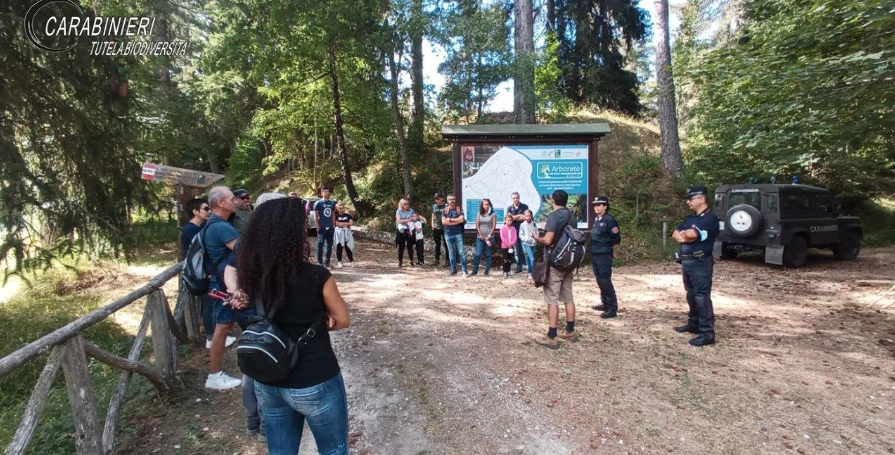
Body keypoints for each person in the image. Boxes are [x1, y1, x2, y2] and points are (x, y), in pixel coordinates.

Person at [231, 198, 351, 454]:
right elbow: (342, 319)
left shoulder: (252, 275)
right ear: (294, 234)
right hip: (314, 376)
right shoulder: (317, 276)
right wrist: (321, 320)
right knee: (334, 450)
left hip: (269, 379)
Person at [222, 192, 286, 443]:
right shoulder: (265, 242)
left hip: (258, 313)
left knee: (257, 361)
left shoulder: (249, 240)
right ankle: (264, 422)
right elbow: (231, 269)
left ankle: (255, 419)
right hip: (263, 314)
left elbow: (230, 269)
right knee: (266, 363)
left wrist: (235, 290)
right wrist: (236, 290)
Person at [203, 186, 242, 389]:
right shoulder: (221, 227)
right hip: (224, 285)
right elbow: (244, 251)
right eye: (232, 198)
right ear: (220, 202)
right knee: (223, 327)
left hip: (220, 283)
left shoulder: (214, 224)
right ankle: (214, 375)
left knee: (225, 326)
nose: (235, 201)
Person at [672, 186, 720, 347]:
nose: (688, 202)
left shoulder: (710, 219)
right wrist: (685, 235)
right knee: (691, 294)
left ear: (701, 199)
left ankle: (707, 333)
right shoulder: (691, 218)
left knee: (701, 296)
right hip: (687, 262)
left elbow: (691, 234)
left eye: (691, 199)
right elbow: (675, 233)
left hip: (701, 262)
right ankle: (694, 324)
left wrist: (686, 235)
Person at [532, 190, 577, 349]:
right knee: (568, 297)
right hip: (569, 263)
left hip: (555, 262)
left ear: (553, 200)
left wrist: (537, 238)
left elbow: (548, 240)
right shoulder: (572, 217)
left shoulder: (554, 216)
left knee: (552, 300)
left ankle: (551, 337)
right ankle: (570, 330)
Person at [589, 196, 621, 319]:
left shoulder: (609, 220)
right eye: (595, 205)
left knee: (605, 279)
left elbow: (616, 238)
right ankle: (605, 303)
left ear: (605, 206)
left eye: (599, 205)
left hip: (604, 253)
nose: (596, 207)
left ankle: (612, 307)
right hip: (595, 252)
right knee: (599, 278)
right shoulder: (597, 219)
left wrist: (609, 247)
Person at [443, 194, 469, 277]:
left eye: (453, 199)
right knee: (451, 253)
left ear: (455, 200)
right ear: (447, 201)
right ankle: (453, 270)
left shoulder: (459, 209)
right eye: (450, 199)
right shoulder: (445, 210)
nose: (452, 201)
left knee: (461, 252)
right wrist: (456, 221)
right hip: (448, 234)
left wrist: (450, 220)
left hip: (458, 233)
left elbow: (461, 220)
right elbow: (444, 222)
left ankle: (464, 271)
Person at [506, 192, 529, 274]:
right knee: (516, 251)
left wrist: (515, 217)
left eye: (517, 197)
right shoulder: (509, 208)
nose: (515, 199)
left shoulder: (525, 206)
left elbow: (526, 217)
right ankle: (519, 268)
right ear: (512, 199)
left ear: (519, 198)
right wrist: (519, 216)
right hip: (514, 233)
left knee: (525, 251)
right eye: (514, 198)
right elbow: (509, 219)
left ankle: (528, 268)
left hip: (524, 232)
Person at [471, 199, 496, 276]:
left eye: (488, 204)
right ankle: (475, 271)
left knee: (488, 254)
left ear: (490, 205)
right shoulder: (478, 214)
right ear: (482, 205)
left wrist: (489, 236)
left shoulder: (493, 214)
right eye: (485, 204)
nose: (486, 206)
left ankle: (486, 271)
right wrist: (480, 235)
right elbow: (477, 225)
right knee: (478, 254)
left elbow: (493, 226)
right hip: (480, 237)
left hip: (489, 238)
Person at [314, 186, 337, 267]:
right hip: (322, 227)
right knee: (320, 245)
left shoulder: (332, 203)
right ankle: (320, 263)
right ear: (321, 193)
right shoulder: (318, 203)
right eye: (325, 191)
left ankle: (327, 262)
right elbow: (315, 215)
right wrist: (317, 226)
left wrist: (333, 225)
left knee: (329, 245)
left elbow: (333, 215)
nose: (327, 193)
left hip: (330, 227)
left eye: (328, 191)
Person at [395, 198, 417, 267]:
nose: (407, 205)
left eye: (408, 204)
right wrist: (408, 220)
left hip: (409, 230)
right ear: (401, 204)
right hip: (401, 230)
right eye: (405, 204)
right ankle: (400, 261)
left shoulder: (411, 210)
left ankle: (411, 260)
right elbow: (398, 221)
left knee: (410, 245)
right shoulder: (399, 211)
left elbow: (414, 217)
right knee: (401, 246)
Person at [517, 209, 537, 281]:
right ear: (525, 216)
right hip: (526, 243)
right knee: (532, 259)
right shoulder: (522, 224)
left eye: (529, 216)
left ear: (531, 216)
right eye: (527, 216)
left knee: (529, 257)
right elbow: (520, 235)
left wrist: (535, 238)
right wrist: (526, 239)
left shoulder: (534, 223)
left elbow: (537, 232)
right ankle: (532, 272)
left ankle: (529, 272)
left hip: (533, 243)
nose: (528, 217)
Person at [334, 203, 356, 268]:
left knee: (348, 247)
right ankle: (339, 262)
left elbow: (351, 223)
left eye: (343, 208)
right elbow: (337, 224)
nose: (342, 209)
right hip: (339, 233)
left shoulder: (348, 215)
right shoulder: (335, 216)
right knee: (339, 247)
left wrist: (342, 223)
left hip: (347, 233)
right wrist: (346, 223)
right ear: (337, 209)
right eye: (340, 208)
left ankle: (351, 261)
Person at [431, 193, 449, 266]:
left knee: (446, 244)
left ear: (442, 198)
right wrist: (432, 224)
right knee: (437, 244)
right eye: (435, 199)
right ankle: (437, 259)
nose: (436, 200)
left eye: (438, 198)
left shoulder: (446, 206)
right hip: (436, 227)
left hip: (445, 227)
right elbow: (433, 215)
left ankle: (447, 260)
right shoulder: (434, 206)